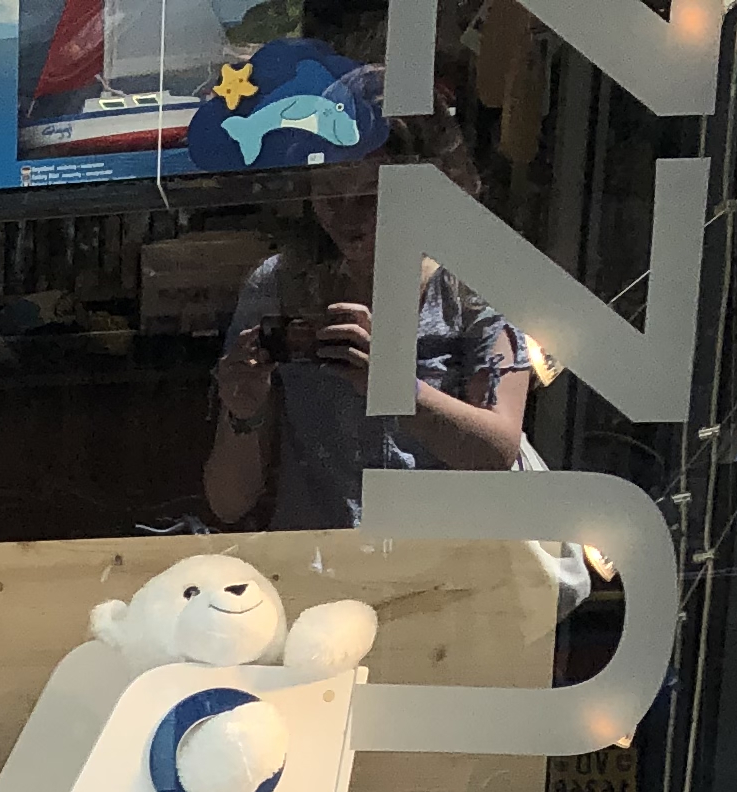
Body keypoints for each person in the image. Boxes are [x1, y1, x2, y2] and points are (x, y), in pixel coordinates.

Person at [201, 99, 531, 532]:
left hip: (441, 570)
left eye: (370, 198)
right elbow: (227, 501)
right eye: (329, 193)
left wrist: (395, 386)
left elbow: (497, 453)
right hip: (324, 565)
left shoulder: (471, 286)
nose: (346, 216)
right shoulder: (279, 285)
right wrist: (244, 411)